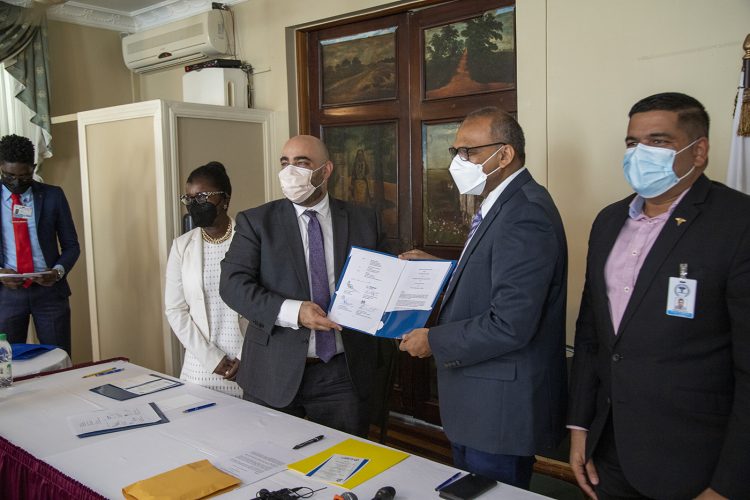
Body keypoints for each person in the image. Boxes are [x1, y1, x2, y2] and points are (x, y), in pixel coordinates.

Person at [568, 92, 750, 500]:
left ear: (698, 150)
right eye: (633, 143)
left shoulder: (738, 223)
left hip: (697, 464)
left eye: (659, 141)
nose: (640, 153)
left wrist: (729, 483)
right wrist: (579, 427)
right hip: (609, 451)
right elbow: (591, 335)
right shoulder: (609, 221)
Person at [399, 107, 568, 489]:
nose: (460, 162)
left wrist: (433, 341)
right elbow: (496, 275)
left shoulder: (525, 212)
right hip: (480, 403)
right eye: (456, 153)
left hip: (499, 412)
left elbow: (511, 323)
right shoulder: (503, 203)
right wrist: (445, 268)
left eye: (469, 153)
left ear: (504, 155)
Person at [219, 135, 382, 436]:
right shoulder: (256, 221)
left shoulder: (363, 219)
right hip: (273, 369)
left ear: (326, 170)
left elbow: (380, 279)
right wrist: (294, 312)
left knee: (343, 463)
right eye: (285, 163)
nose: (290, 172)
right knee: (268, 461)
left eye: (302, 163)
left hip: (341, 371)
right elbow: (232, 284)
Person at [165, 162, 245, 397]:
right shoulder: (182, 247)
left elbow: (264, 303)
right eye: (189, 198)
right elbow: (175, 309)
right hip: (200, 368)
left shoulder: (249, 240)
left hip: (248, 363)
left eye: (202, 197)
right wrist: (212, 358)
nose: (194, 204)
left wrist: (245, 355)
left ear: (225, 199)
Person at [0, 134, 79, 355]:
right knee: (7, 364)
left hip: (49, 293)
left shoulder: (53, 196)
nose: (16, 182)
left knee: (57, 359)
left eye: (24, 176)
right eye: (9, 176)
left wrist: (57, 272)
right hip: (7, 294)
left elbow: (72, 245)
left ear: (33, 168)